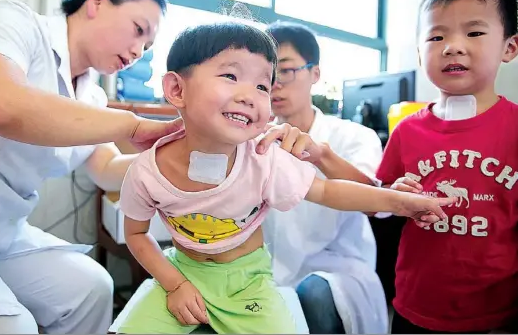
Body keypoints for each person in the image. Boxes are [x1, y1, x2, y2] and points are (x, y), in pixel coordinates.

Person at [115, 21, 455, 334]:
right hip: (185, 270)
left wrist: (399, 201)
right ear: (176, 89)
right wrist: (174, 283)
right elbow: (136, 232)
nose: (252, 94)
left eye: (263, 83)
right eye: (231, 76)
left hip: (251, 280)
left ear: (315, 73)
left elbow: (328, 191)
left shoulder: (264, 156)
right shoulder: (147, 170)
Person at [0, 0, 184, 335]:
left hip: (1, 232)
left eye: (147, 46)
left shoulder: (92, 97)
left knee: (92, 288)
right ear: (98, 0)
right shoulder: (12, 22)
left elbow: (107, 166)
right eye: (138, 30)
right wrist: (131, 124)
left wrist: (173, 156)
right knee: (9, 327)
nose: (138, 51)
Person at [375, 0, 518, 334]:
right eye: (436, 36)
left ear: (509, 47)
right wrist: (397, 194)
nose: (452, 47)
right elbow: (385, 194)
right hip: (415, 304)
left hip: (496, 312)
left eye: (473, 33)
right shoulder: (407, 130)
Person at [261, 21, 389, 334]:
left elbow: (374, 201)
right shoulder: (253, 140)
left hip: (336, 270)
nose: (275, 84)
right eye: (266, 74)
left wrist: (322, 156)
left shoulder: (353, 136)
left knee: (313, 295)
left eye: (287, 70)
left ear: (314, 73)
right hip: (264, 270)